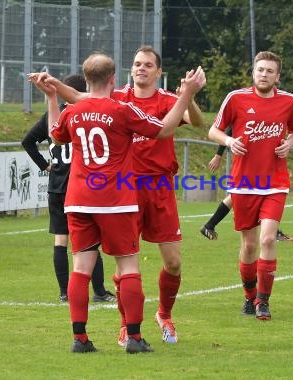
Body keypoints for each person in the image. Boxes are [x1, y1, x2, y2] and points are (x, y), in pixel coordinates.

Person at [29, 52, 205, 354]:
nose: (141, 68)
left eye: (148, 64)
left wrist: (52, 94)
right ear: (115, 79)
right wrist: (187, 92)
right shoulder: (121, 107)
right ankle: (132, 333)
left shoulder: (78, 110)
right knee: (128, 264)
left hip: (88, 197)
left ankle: (82, 338)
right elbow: (163, 129)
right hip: (118, 196)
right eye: (137, 63)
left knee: (84, 266)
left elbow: (56, 136)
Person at [208, 51, 293, 320]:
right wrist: (228, 142)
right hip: (244, 183)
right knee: (249, 246)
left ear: (277, 77)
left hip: (275, 181)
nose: (264, 74)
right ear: (253, 72)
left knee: (268, 238)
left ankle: (263, 301)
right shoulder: (236, 98)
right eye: (260, 69)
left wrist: (288, 144)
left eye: (269, 71)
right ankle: (249, 297)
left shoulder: (288, 101)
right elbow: (214, 130)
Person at [21, 74, 116, 304]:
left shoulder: (54, 115)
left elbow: (28, 141)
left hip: (56, 188)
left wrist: (45, 166)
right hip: (80, 186)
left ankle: (64, 292)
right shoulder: (84, 115)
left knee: (61, 241)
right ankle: (100, 291)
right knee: (91, 240)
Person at [201, 126, 293, 242]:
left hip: (261, 163)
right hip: (247, 164)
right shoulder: (244, 111)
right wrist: (218, 155)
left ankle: (209, 225)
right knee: (250, 195)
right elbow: (229, 131)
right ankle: (273, 232)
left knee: (245, 195)